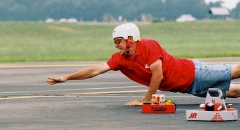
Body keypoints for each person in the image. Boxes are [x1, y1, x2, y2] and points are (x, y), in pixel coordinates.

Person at [47, 23, 240, 106]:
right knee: (235, 92)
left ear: (130, 39)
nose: (116, 46)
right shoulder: (120, 59)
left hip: (195, 73)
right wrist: (67, 77)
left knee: (235, 71)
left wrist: (146, 100)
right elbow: (94, 71)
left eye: (118, 41)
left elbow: (158, 75)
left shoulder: (148, 45)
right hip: (188, 87)